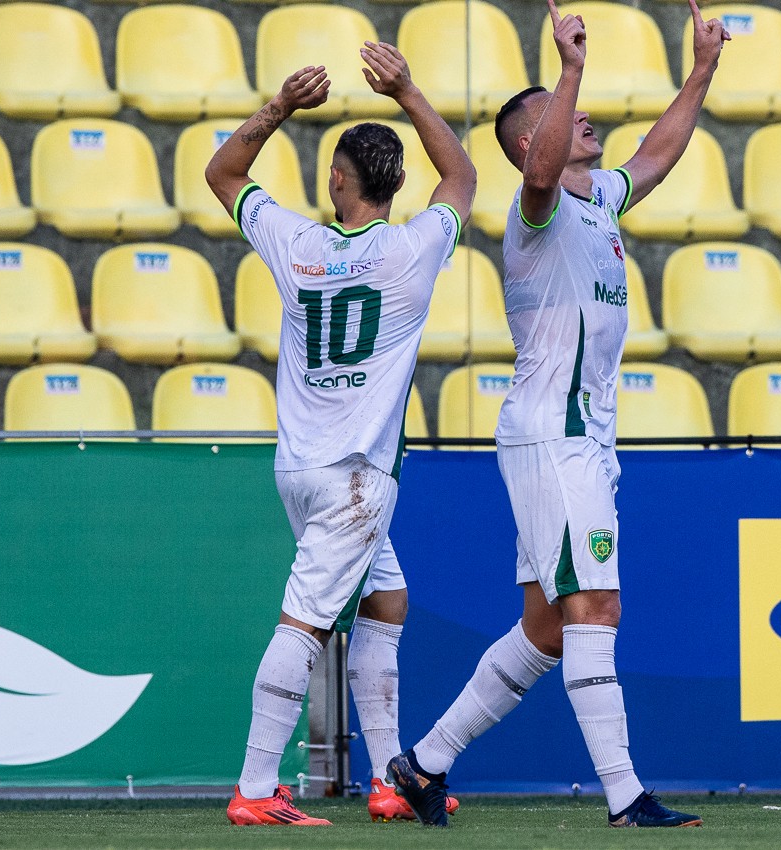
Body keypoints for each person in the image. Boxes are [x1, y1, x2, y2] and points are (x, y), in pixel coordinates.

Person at [388, 0, 730, 829]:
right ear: (526, 143)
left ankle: (421, 763)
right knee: (595, 609)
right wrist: (569, 65)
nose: (582, 118)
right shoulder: (533, 213)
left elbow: (655, 153)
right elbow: (539, 175)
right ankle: (625, 796)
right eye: (559, 116)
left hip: (579, 439)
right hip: (556, 435)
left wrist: (702, 71)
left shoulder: (600, 202)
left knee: (545, 628)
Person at [205, 42, 475, 827]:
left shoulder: (299, 244)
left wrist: (279, 108)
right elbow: (460, 178)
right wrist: (409, 89)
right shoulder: (412, 248)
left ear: (336, 181)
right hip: (357, 477)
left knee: (387, 600)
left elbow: (224, 175)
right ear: (396, 186)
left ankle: (390, 780)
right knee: (306, 622)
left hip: (300, 468)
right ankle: (256, 790)